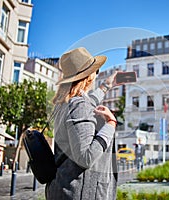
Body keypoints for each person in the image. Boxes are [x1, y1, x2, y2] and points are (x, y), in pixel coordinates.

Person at [45, 47, 118, 200]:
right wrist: (111, 124)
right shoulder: (79, 106)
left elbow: (86, 105)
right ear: (89, 76)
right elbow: (86, 158)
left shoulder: (64, 104)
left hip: (65, 188)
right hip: (80, 193)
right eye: (95, 70)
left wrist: (106, 86)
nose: (96, 73)